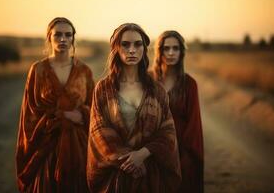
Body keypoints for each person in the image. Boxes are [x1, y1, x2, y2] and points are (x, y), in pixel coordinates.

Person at [87, 23, 181, 193]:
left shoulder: (156, 90)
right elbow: (99, 133)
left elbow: (168, 133)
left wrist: (143, 154)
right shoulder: (103, 89)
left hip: (151, 175)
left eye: (138, 44)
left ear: (144, 49)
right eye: (125, 44)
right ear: (116, 48)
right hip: (116, 176)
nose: (132, 50)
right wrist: (131, 162)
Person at [16, 17, 95, 192]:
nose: (63, 39)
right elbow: (29, 113)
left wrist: (82, 114)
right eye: (58, 34)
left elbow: (94, 110)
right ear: (49, 37)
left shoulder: (84, 71)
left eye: (68, 35)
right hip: (46, 145)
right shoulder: (38, 70)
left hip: (78, 146)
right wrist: (58, 117)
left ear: (73, 39)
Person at [151, 30, 204, 193]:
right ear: (159, 51)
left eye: (176, 48)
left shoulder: (189, 84)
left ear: (182, 52)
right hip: (152, 150)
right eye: (166, 48)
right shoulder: (148, 81)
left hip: (181, 150)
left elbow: (194, 124)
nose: (171, 53)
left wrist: (185, 156)